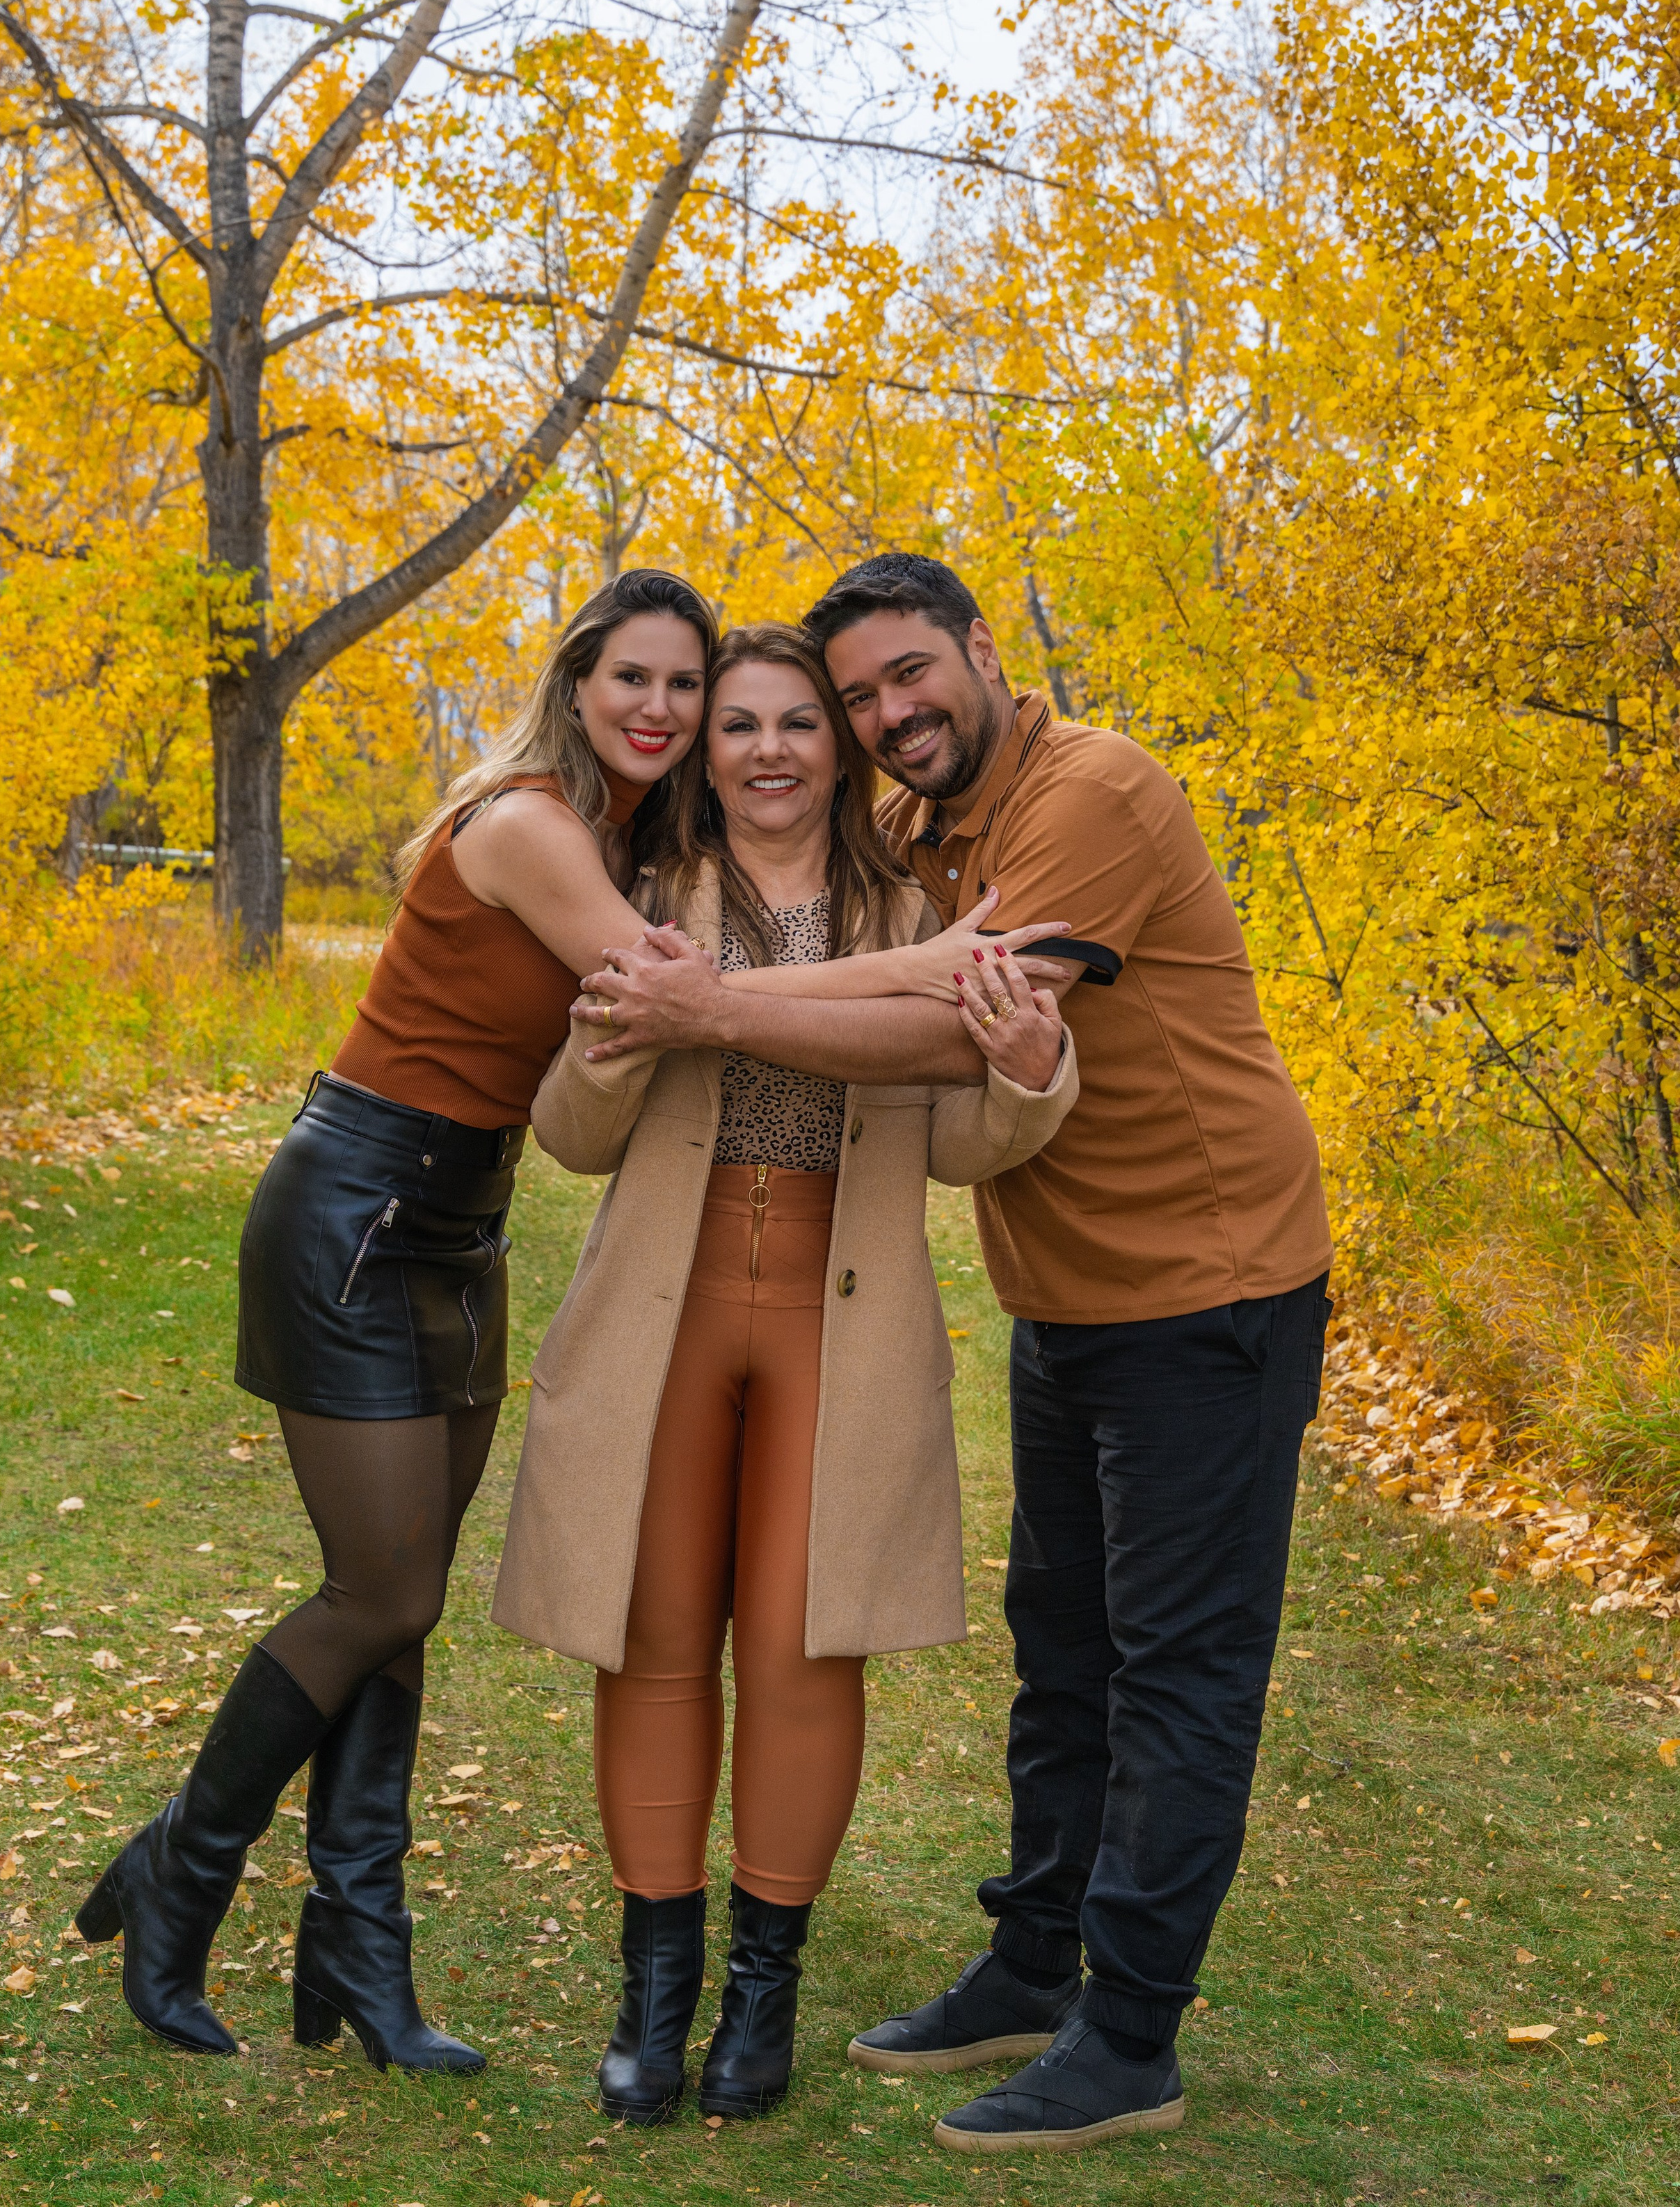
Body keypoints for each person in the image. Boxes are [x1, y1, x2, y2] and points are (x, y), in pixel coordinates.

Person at [573, 553, 1333, 2158]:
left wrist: (717, 1005)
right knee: (1061, 1654)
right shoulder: (920, 833)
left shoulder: (1089, 792)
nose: (883, 714)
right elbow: (921, 998)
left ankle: (1127, 2037)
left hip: (1206, 1285)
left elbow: (946, 1031)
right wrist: (773, 979)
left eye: (903, 675)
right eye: (855, 696)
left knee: (1174, 1671)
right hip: (1066, 1292)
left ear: (983, 650)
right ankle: (1030, 1967)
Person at [77, 568, 718, 2069]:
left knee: (403, 1589)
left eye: (684, 684)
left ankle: (359, 1948)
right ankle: (184, 1865)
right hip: (355, 1213)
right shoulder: (530, 825)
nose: (659, 707)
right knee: (379, 1593)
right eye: (632, 676)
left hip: (460, 1222)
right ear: (576, 682)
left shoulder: (625, 839)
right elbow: (667, 986)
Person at [492, 621, 1080, 2128]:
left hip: (840, 1314)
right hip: (667, 1310)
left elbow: (961, 1140)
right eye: (737, 723)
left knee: (807, 1650)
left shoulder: (917, 912)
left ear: (838, 746)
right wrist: (619, 1034)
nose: (766, 749)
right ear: (709, 752)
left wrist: (1027, 1071)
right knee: (653, 1638)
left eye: (797, 722)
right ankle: (655, 1991)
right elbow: (571, 1135)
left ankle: (763, 1991)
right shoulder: (646, 900)